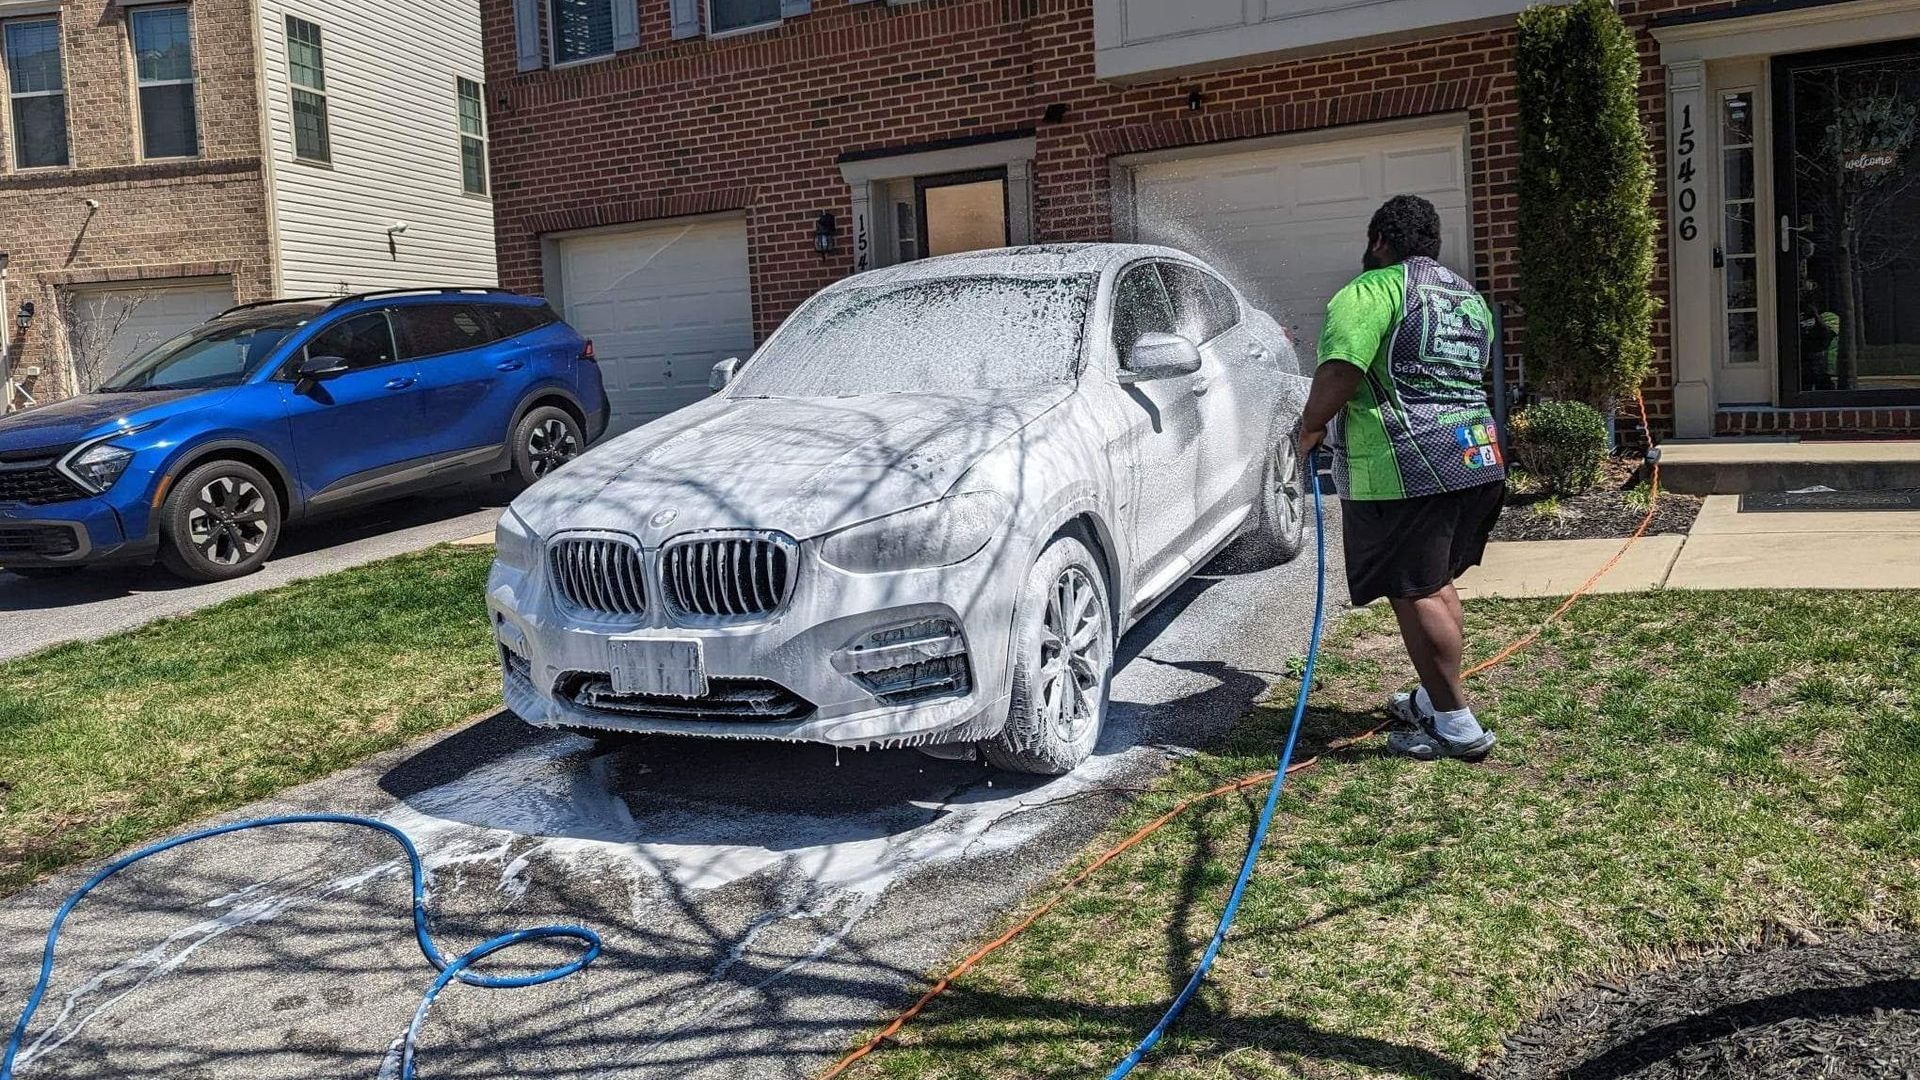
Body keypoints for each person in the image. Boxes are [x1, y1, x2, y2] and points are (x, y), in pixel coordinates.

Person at [1297, 194, 1505, 762]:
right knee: (1435, 582)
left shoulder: (1371, 291)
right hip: (1476, 459)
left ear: (1379, 241)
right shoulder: (1466, 299)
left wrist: (1309, 429)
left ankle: (1457, 727)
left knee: (1417, 592)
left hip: (1409, 468)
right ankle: (1436, 701)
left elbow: (1342, 369)